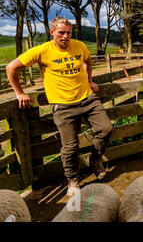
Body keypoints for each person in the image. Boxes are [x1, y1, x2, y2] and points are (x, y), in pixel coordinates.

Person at [6, 17, 113, 197]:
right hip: (63, 106)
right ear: (52, 32)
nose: (65, 36)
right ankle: (72, 180)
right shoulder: (42, 51)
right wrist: (19, 93)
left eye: (68, 33)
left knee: (106, 129)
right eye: (61, 32)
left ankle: (95, 161)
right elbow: (11, 68)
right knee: (70, 147)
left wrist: (89, 80)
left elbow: (88, 61)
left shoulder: (79, 46)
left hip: (88, 99)